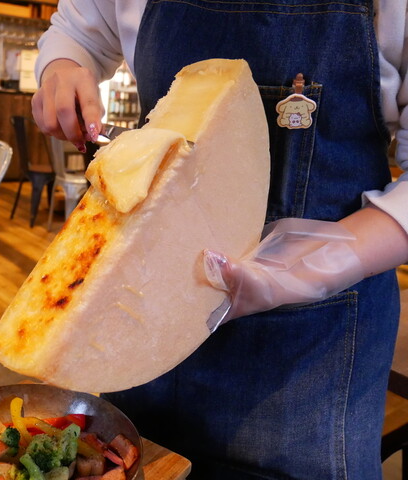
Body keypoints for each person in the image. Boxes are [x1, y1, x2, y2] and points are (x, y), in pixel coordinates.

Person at [30, 1, 408, 478]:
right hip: (139, 317)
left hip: (309, 355)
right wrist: (62, 65)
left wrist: (321, 264)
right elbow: (77, 31)